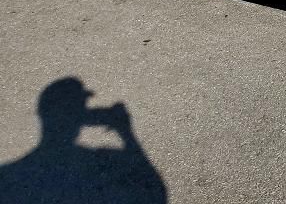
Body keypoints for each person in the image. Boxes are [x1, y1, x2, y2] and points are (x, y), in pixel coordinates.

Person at [0, 77, 167, 203]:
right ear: (79, 116)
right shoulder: (105, 160)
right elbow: (155, 192)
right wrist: (126, 132)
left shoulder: (6, 177)